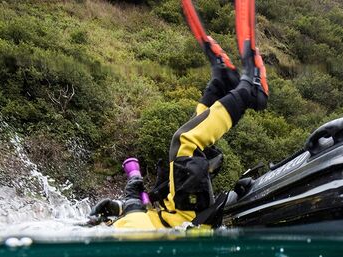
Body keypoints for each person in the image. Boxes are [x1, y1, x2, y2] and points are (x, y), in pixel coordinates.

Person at [89, 0, 268, 229]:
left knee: (187, 158)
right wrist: (133, 204)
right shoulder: (117, 247)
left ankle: (221, 85)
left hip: (169, 216)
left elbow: (140, 221)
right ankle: (248, 92)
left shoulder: (106, 239)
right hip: (183, 225)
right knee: (185, 142)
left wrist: (119, 207)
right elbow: (136, 230)